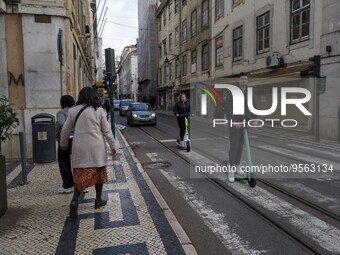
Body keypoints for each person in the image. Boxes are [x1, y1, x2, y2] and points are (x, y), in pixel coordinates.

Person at [60, 87, 117, 219]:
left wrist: (63, 145)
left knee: (81, 176)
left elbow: (65, 130)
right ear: (94, 96)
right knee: (99, 173)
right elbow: (107, 131)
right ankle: (98, 200)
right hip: (97, 147)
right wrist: (113, 146)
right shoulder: (99, 110)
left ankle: (75, 200)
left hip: (80, 147)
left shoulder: (73, 110)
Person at [225, 72, 253, 183]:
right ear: (239, 80)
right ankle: (231, 169)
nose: (244, 81)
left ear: (247, 80)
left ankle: (237, 165)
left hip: (244, 121)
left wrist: (254, 119)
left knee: (241, 145)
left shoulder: (249, 91)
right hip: (234, 122)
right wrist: (233, 121)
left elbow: (252, 105)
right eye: (242, 79)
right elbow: (228, 108)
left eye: (245, 79)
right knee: (234, 145)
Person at [56, 95, 75, 194]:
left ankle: (68, 185)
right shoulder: (76, 110)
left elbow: (61, 124)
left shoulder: (61, 112)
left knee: (64, 162)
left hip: (66, 139)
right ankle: (82, 184)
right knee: (78, 162)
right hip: (77, 139)